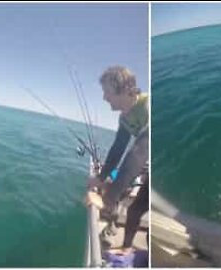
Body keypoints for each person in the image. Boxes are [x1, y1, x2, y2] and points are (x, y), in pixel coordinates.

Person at [86, 65, 149, 256]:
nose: (104, 97)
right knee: (135, 209)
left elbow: (140, 151)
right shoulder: (124, 118)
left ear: (123, 90)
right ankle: (127, 247)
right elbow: (117, 150)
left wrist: (106, 199)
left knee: (139, 206)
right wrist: (101, 177)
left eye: (107, 92)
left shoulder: (148, 107)